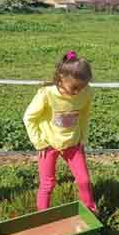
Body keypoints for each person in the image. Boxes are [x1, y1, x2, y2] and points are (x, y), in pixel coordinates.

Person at [23, 50, 97, 212]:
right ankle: (43, 215)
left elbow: (84, 115)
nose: (78, 92)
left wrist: (82, 139)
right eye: (75, 88)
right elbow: (29, 117)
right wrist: (39, 143)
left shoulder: (86, 93)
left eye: (83, 87)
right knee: (48, 183)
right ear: (62, 78)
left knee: (84, 180)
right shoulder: (47, 94)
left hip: (73, 144)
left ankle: (91, 211)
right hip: (48, 145)